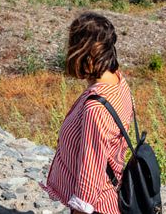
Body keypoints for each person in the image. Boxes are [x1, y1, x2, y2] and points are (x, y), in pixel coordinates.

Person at [43, 12, 134, 214]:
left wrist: (79, 211)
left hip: (98, 207)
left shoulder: (96, 108)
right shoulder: (118, 82)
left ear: (85, 51)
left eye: (72, 45)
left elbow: (92, 170)